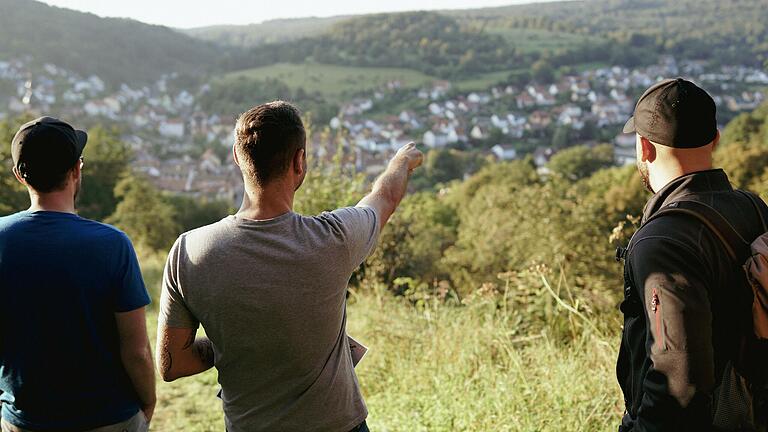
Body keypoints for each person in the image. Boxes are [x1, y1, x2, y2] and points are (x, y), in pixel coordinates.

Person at [156, 101, 423, 432]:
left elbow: (172, 364)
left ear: (237, 157)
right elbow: (384, 197)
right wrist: (402, 160)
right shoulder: (335, 238)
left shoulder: (188, 251)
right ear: (299, 162)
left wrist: (233, 339)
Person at [616, 79, 768, 431]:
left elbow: (677, 384)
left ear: (644, 148)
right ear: (715, 139)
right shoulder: (754, 208)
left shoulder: (660, 243)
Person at [0, 117, 156, 432]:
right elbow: (136, 350)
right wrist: (149, 402)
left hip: (25, 419)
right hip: (110, 417)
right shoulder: (113, 245)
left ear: (19, 175)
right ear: (76, 169)